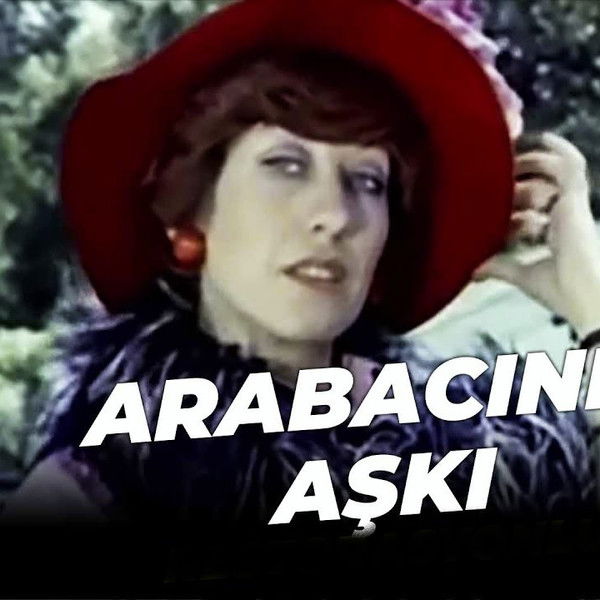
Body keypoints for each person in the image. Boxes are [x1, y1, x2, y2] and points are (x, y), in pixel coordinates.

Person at [2, 0, 599, 535]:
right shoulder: (102, 492)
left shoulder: (480, 453)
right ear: (189, 212)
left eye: (368, 180)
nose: (334, 216)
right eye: (285, 165)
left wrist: (589, 296)